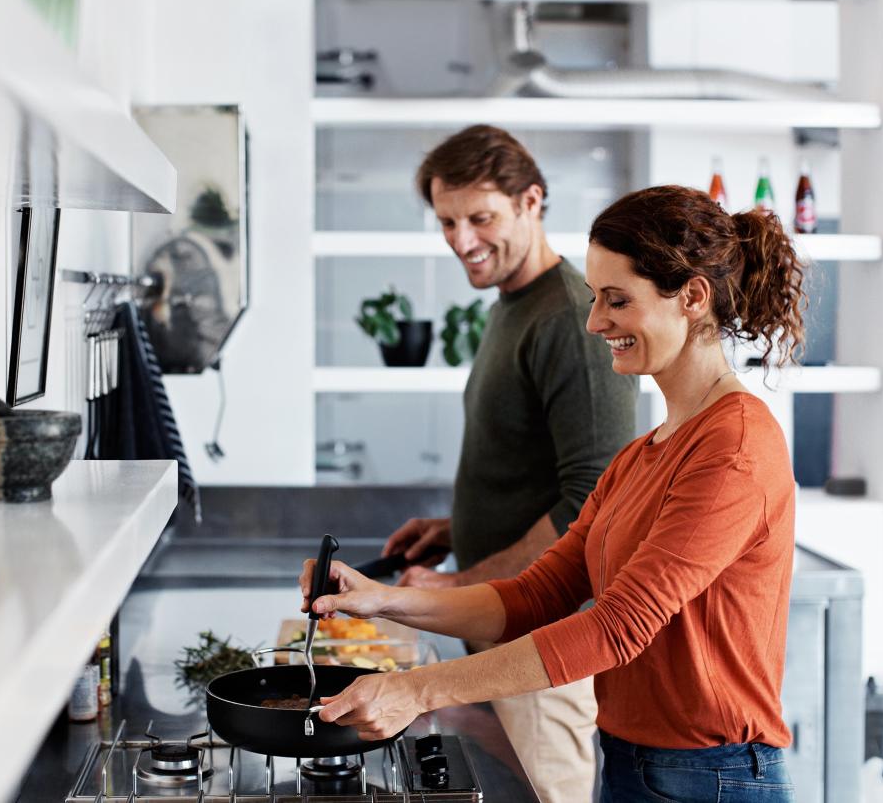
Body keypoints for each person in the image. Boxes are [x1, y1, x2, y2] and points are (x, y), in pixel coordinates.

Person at [302, 185, 806, 802]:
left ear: (692, 298)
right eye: (595, 299)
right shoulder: (643, 453)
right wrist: (379, 601)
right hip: (632, 762)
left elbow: (618, 627)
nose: (595, 322)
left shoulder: (734, 448)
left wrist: (419, 689)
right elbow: (536, 596)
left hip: (717, 776)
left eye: (616, 300)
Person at [378, 125, 637, 801]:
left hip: (546, 646)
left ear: (532, 201)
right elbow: (535, 469)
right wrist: (455, 529)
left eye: (481, 218)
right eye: (447, 222)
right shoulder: (515, 306)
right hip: (504, 639)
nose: (462, 240)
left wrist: (462, 584)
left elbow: (593, 498)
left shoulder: (572, 320)